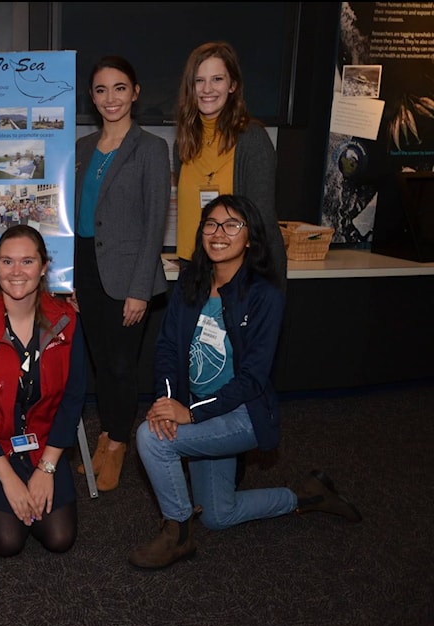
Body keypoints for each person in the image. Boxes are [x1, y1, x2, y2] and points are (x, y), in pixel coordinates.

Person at [128, 195, 361, 571]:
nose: (219, 233)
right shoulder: (192, 280)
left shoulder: (264, 295)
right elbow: (168, 347)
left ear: (250, 237)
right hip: (199, 409)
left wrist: (189, 413)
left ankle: (178, 535)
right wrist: (168, 403)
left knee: (150, 440)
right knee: (219, 515)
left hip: (243, 415)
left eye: (231, 225)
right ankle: (307, 496)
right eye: (211, 224)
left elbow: (254, 378)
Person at [0, 225, 87, 557]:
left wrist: (47, 468)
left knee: (59, 538)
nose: (17, 272)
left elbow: (72, 398)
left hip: (42, 445)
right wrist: (9, 479)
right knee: (8, 542)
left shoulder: (66, 320)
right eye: (7, 262)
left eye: (27, 261)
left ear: (44, 267)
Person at [72, 55, 171, 492]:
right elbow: (69, 216)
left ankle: (116, 445)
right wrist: (69, 280)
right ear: (91, 98)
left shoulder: (150, 148)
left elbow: (154, 225)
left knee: (120, 365)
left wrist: (140, 291)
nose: (110, 98)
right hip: (87, 269)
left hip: (128, 275)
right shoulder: (81, 147)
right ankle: (107, 434)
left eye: (118, 88)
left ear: (135, 92)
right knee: (100, 361)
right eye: (100, 90)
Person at [173, 41, 287, 284]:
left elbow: (262, 223)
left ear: (233, 85)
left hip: (239, 275)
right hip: (193, 272)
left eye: (217, 79)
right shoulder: (184, 142)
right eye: (199, 80)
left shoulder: (252, 140)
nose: (207, 89)